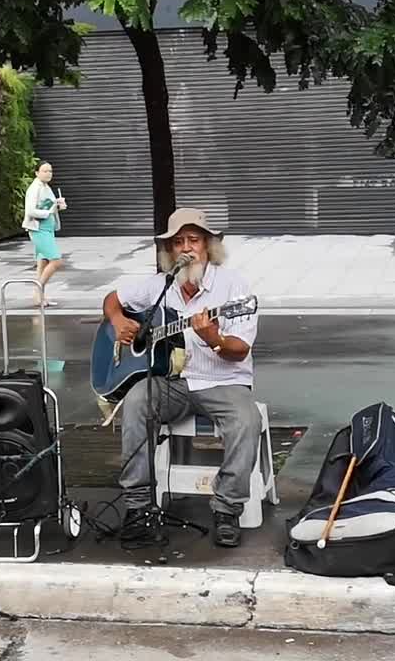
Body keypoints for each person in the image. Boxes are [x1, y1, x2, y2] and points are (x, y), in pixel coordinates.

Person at [101, 208, 262, 548]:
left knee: (246, 420)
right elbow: (112, 299)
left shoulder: (235, 288)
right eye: (178, 242)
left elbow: (239, 350)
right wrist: (117, 321)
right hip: (172, 381)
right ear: (169, 251)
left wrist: (213, 337)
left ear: (209, 246)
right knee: (136, 401)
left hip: (223, 382)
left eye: (194, 240)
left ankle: (227, 508)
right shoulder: (161, 285)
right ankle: (139, 507)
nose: (187, 248)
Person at [22, 161, 67, 306]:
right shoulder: (34, 188)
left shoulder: (46, 187)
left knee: (43, 262)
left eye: (50, 171)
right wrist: (49, 211)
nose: (48, 174)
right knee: (56, 260)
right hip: (38, 229)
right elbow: (31, 211)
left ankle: (40, 297)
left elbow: (50, 207)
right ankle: (37, 291)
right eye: (45, 171)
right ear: (37, 173)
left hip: (48, 229)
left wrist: (58, 206)